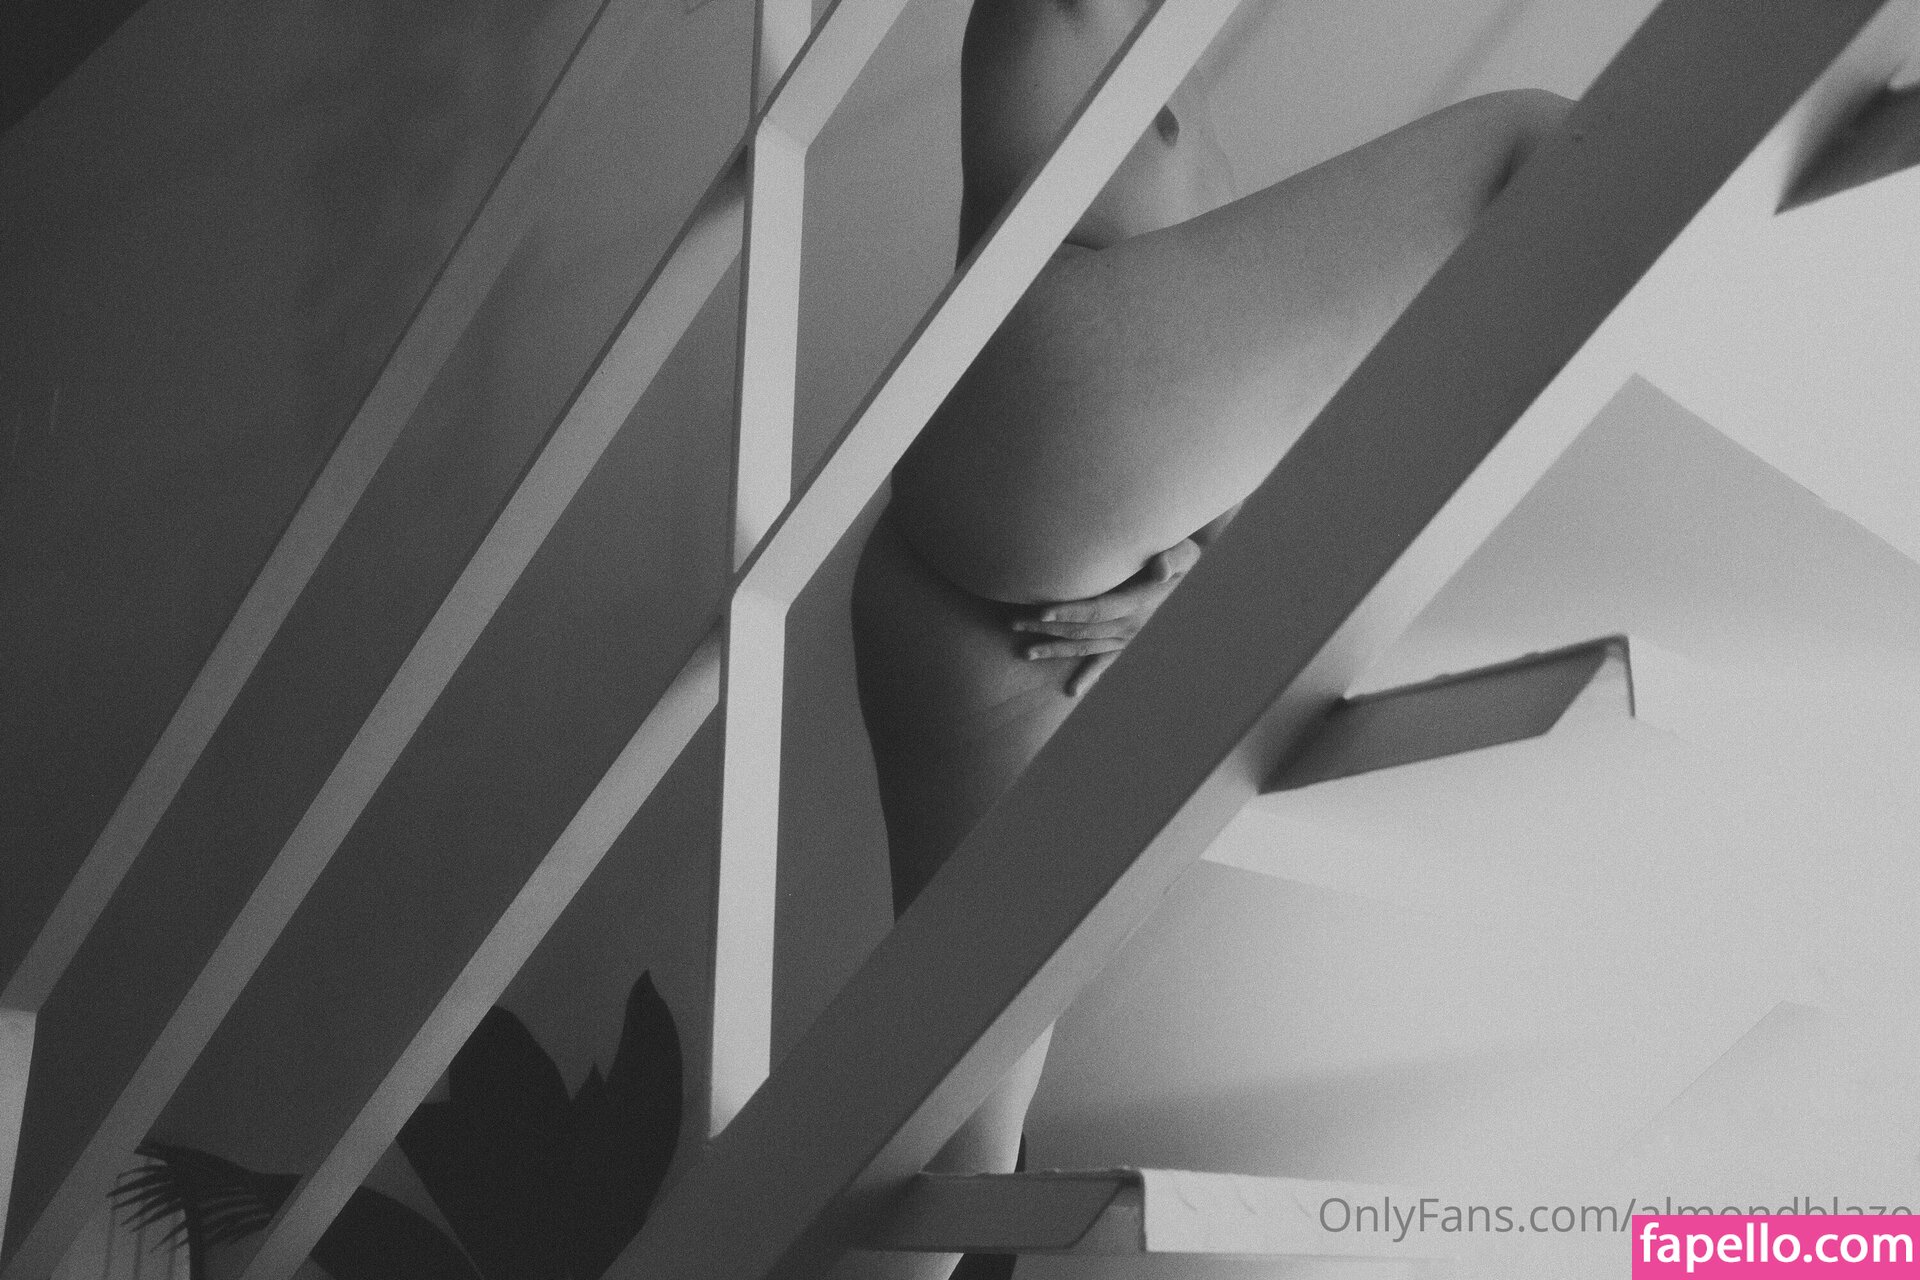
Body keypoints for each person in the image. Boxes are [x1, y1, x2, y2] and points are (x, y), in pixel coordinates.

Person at [850, 0, 1569, 1273]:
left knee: (955, 1158)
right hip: (1029, 466)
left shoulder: (1195, 115)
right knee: (1531, 146)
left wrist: (1189, 562)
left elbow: (1216, 424)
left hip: (986, 617)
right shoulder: (1075, 23)